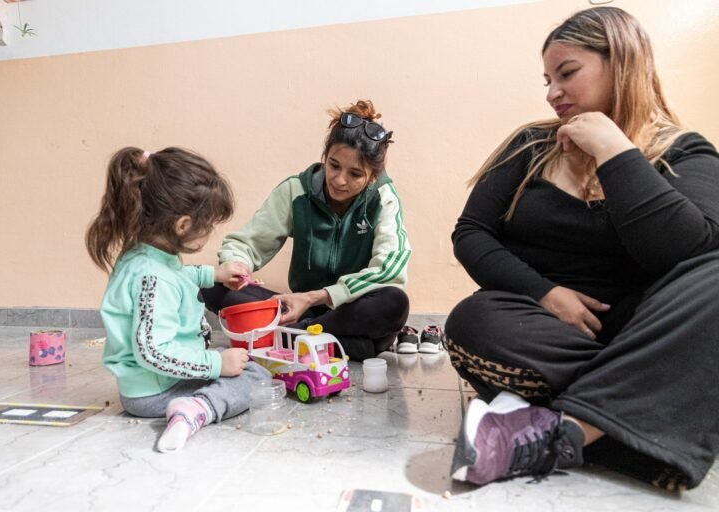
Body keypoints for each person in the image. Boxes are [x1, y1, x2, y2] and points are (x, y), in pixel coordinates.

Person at [444, 6, 719, 491]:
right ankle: (646, 420)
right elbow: (471, 233)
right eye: (547, 79)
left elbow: (686, 253)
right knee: (474, 320)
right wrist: (547, 293)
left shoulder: (686, 152)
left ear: (623, 62)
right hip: (548, 331)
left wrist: (615, 151)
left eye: (567, 73)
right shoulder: (530, 146)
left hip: (647, 328)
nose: (552, 93)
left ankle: (565, 432)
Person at [86, 147, 271, 453]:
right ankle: (197, 409)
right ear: (183, 225)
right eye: (208, 226)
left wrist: (214, 274)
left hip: (151, 384)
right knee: (255, 376)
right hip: (155, 390)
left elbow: (177, 275)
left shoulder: (146, 256)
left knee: (239, 365)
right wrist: (215, 364)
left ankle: (195, 401)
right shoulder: (153, 277)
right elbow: (153, 352)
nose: (209, 232)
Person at [201, 100, 412, 361]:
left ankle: (290, 338)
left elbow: (390, 268)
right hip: (298, 310)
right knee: (213, 286)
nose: (339, 179)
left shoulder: (383, 197)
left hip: (347, 312)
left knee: (394, 302)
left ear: (371, 177)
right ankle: (340, 346)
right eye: (334, 165)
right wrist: (237, 266)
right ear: (324, 157)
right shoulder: (296, 190)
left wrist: (315, 297)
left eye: (355, 173)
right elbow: (246, 243)